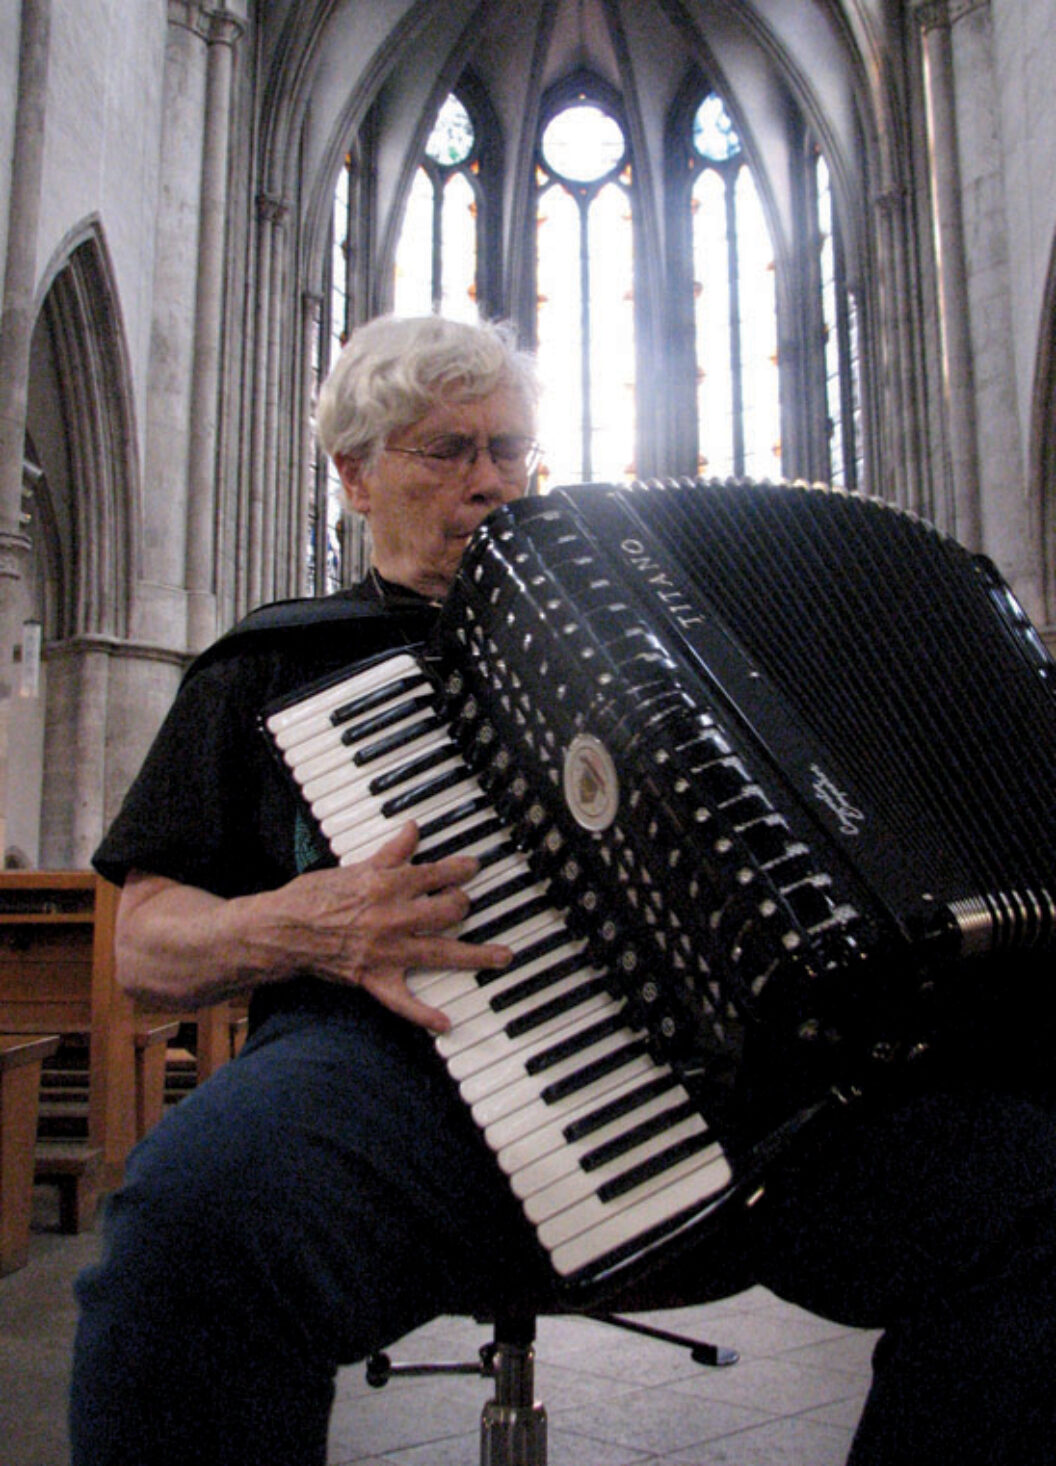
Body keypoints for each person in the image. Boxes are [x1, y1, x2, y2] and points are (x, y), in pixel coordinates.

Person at [69, 313, 1056, 1466]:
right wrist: (303, 921)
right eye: (446, 450)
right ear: (354, 473)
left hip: (745, 1102)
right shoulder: (279, 663)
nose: (489, 480)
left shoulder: (660, 644)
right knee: (189, 1226)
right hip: (399, 1084)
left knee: (1034, 1199)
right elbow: (145, 947)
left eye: (510, 449)